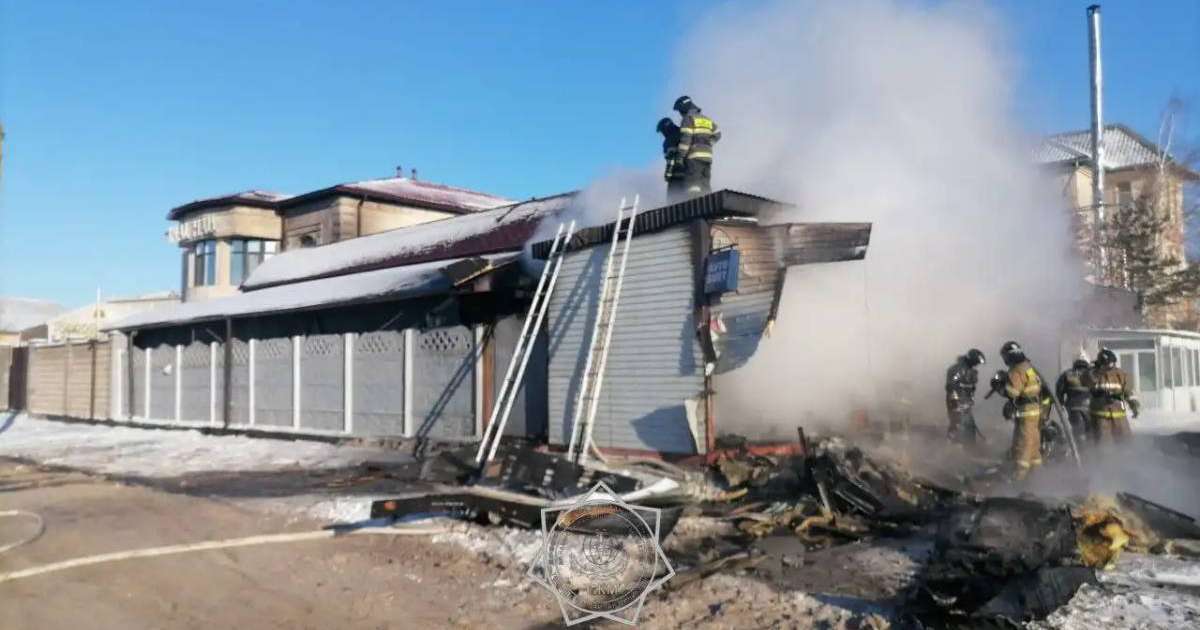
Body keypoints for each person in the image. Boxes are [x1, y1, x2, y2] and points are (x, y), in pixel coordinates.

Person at [998, 341, 1045, 480]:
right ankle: (1038, 475)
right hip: (1035, 410)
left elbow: (1012, 392)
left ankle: (1019, 477)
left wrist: (999, 386)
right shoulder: (1028, 367)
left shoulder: (1016, 370)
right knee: (1034, 443)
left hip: (1025, 411)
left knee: (1023, 443)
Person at [1083, 348, 1140, 446]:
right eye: (1107, 364)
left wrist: (1134, 405)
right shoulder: (1093, 374)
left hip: (1119, 416)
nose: (1110, 366)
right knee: (1104, 445)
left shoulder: (1120, 374)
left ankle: (1128, 460)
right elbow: (1086, 381)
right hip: (1101, 417)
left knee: (1126, 444)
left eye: (1112, 363)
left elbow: (1128, 392)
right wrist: (1097, 371)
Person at [673, 95, 721, 196]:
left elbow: (686, 139)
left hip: (694, 158)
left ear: (683, 109)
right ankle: (708, 206)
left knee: (692, 185)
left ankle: (693, 206)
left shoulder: (688, 119)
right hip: (707, 158)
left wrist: (680, 157)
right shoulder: (706, 119)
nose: (680, 114)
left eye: (680, 111)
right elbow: (718, 133)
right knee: (705, 185)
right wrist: (707, 144)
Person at [945, 349, 985, 445]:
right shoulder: (957, 369)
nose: (977, 365)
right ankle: (953, 446)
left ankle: (969, 446)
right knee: (957, 423)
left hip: (966, 401)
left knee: (969, 424)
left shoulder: (971, 371)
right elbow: (951, 386)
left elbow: (971, 388)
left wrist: (970, 400)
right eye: (976, 362)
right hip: (956, 400)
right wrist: (955, 400)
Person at [1055, 358, 1092, 446]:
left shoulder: (1067, 374)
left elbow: (1059, 391)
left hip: (1073, 407)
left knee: (1078, 431)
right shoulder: (1092, 374)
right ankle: (1090, 452)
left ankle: (1080, 451)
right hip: (1090, 407)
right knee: (1090, 433)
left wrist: (1061, 404)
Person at [656, 117, 686, 199]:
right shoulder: (684, 133)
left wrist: (668, 175)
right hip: (692, 173)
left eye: (662, 131)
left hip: (677, 176)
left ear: (665, 129)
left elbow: (671, 159)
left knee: (674, 202)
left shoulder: (669, 140)